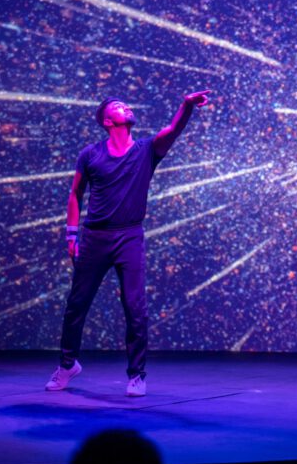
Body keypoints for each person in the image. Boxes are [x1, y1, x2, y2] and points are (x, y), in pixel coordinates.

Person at [46, 90, 211, 396]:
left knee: (135, 307)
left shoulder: (146, 150)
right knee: (76, 305)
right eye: (118, 107)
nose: (126, 107)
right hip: (95, 237)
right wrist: (71, 235)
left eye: (126, 104)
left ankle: (136, 374)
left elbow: (173, 130)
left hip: (130, 236)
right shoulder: (90, 154)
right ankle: (67, 364)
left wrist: (186, 105)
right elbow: (75, 194)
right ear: (108, 121)